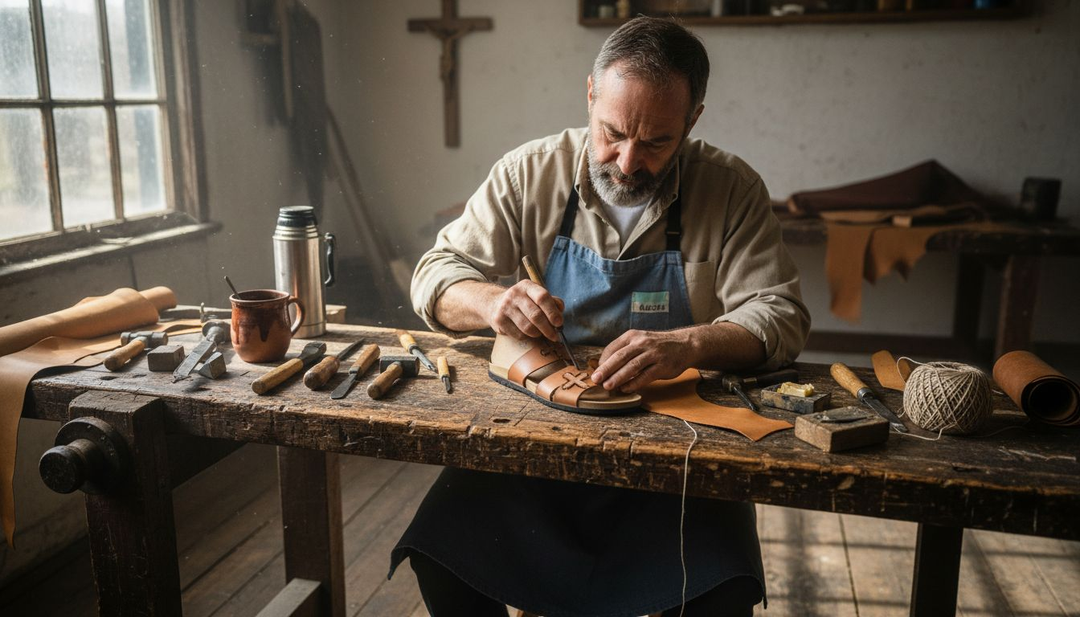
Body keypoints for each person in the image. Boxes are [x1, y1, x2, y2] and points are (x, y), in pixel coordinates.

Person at [391, 16, 810, 617]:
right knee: (442, 550)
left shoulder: (731, 190)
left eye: (657, 142)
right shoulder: (528, 172)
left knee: (723, 587)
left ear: (693, 120)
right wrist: (492, 302)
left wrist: (688, 345)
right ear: (590, 93)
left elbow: (782, 313)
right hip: (536, 442)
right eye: (612, 132)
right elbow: (435, 273)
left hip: (676, 459)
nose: (630, 161)